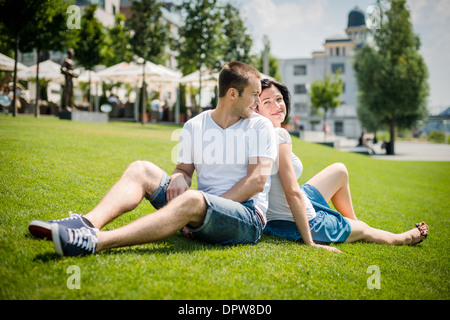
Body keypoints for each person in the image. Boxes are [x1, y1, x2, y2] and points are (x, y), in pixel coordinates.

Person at [28, 62, 277, 256]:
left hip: (246, 218)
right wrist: (180, 178)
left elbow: (256, 181)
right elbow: (183, 169)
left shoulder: (260, 127)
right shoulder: (194, 125)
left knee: (192, 200)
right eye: (255, 95)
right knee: (142, 169)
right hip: (197, 212)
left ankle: (95, 241)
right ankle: (85, 223)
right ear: (232, 94)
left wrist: (204, 206)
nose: (259, 102)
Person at [255, 78, 428, 252]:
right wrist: (311, 243)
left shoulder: (257, 134)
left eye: (279, 99)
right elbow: (292, 192)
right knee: (366, 230)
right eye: (267, 102)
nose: (277, 105)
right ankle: (404, 238)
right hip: (300, 222)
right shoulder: (278, 135)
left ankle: (353, 223)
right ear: (256, 108)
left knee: (339, 170)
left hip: (278, 218)